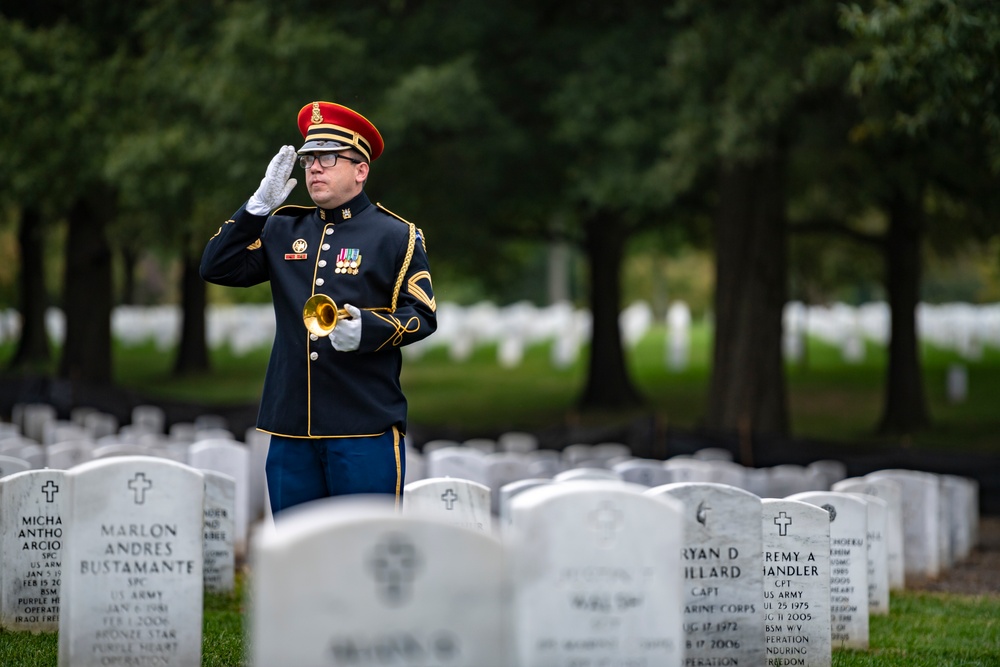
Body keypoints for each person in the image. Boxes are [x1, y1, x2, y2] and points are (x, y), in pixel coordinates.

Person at [200, 101, 437, 515]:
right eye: (309, 158)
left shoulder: (396, 235)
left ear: (360, 170)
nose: (314, 168)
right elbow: (217, 266)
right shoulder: (282, 227)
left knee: (364, 553)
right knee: (295, 559)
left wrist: (369, 328)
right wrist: (257, 205)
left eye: (328, 158)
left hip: (363, 425)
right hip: (291, 424)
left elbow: (422, 315)